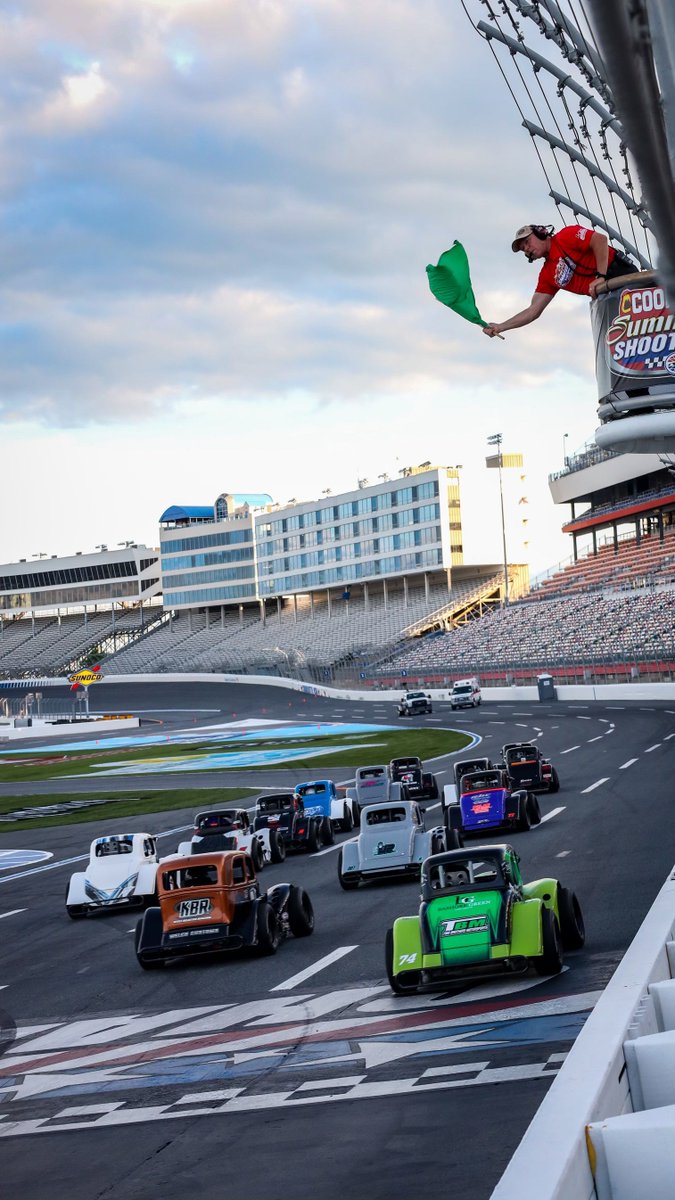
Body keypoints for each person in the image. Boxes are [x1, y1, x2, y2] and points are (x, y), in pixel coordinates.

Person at [483, 223, 638, 338]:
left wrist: (600, 276)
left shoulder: (565, 236)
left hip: (621, 276)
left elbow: (600, 240)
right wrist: (501, 326)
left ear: (540, 233)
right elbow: (532, 311)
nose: (527, 249)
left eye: (527, 242)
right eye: (523, 249)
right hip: (608, 299)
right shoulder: (547, 275)